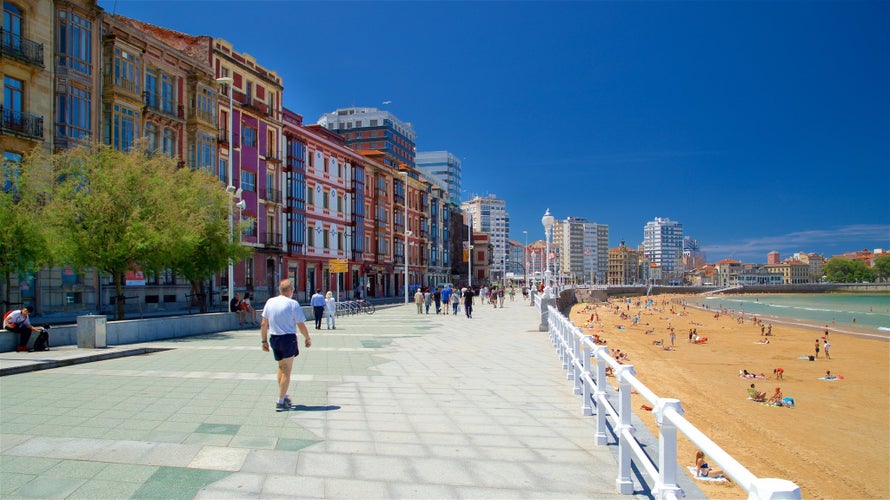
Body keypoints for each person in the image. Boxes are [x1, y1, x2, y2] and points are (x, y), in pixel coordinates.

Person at [261, 279, 311, 410]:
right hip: (288, 338)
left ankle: (283, 394)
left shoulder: (270, 302)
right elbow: (300, 324)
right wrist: (307, 338)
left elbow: (263, 323)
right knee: (287, 371)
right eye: (293, 289)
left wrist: (264, 340)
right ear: (290, 290)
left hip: (274, 338)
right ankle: (280, 401)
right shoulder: (293, 304)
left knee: (281, 367)